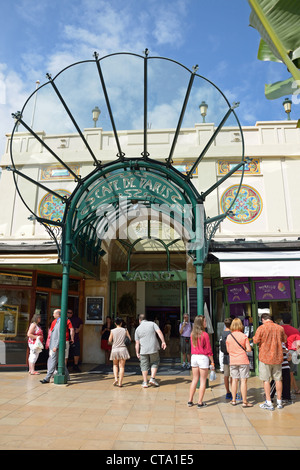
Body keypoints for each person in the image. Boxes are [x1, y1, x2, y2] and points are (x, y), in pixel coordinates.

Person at [253, 313, 287, 410]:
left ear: (263, 319)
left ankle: (269, 402)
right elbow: (284, 339)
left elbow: (255, 340)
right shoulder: (280, 328)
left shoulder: (261, 328)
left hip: (265, 357)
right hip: (277, 357)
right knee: (278, 379)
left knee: (266, 380)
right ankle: (279, 402)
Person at [188, 315, 214, 408]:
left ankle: (190, 401)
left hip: (194, 357)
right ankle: (200, 402)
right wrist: (212, 362)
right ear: (201, 323)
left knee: (194, 379)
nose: (206, 323)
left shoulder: (192, 334)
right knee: (203, 381)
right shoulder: (205, 334)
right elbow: (208, 350)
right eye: (205, 321)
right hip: (203, 358)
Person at [226, 318, 253, 407]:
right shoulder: (244, 336)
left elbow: (228, 350)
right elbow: (249, 349)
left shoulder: (229, 337)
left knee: (234, 380)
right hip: (243, 360)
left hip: (233, 360)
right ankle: (244, 401)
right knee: (243, 380)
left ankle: (233, 400)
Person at [135, 313, 167, 388]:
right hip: (153, 348)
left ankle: (145, 382)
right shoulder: (152, 324)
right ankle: (152, 378)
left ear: (139, 320)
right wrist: (163, 342)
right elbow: (159, 332)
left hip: (143, 350)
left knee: (144, 365)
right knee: (155, 362)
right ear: (146, 319)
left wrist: (137, 352)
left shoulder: (137, 329)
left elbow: (137, 343)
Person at [40, 309, 70, 384]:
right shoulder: (57, 321)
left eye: (54, 313)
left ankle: (47, 377)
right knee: (61, 362)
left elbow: (60, 335)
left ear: (58, 314)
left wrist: (56, 346)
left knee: (52, 361)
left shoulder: (60, 322)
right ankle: (67, 376)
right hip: (54, 345)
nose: (53, 315)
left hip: (56, 345)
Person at [108, 317, 131, 387]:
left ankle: (115, 378)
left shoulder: (112, 331)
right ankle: (120, 383)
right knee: (122, 367)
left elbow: (109, 341)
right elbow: (129, 339)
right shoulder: (125, 330)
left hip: (115, 349)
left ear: (115, 323)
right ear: (121, 323)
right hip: (123, 350)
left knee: (115, 365)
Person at [281, 313, 300, 394]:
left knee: (281, 372)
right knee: (291, 372)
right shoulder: (295, 330)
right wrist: (298, 354)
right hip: (292, 352)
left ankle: (293, 388)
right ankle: (291, 390)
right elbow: (298, 344)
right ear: (291, 321)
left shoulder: (279, 329)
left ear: (282, 320)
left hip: (281, 351)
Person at [220, 317, 233, 399]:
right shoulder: (232, 333)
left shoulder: (222, 333)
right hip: (232, 355)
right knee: (232, 375)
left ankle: (228, 391)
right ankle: (233, 390)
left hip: (225, 356)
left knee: (226, 375)